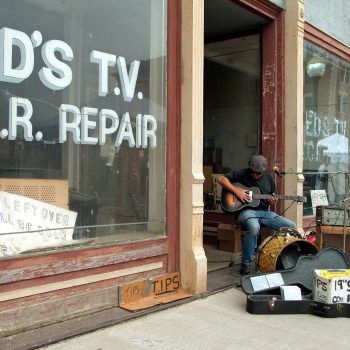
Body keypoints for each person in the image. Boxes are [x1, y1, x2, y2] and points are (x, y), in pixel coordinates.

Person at [217, 155, 296, 275]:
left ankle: (283, 259)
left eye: (258, 173)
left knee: (291, 226)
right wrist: (236, 191)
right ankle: (246, 264)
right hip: (246, 211)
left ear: (263, 171)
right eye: (253, 172)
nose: (254, 175)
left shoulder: (269, 178)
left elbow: (272, 196)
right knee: (254, 227)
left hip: (264, 213)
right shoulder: (242, 173)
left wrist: (273, 201)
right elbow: (220, 179)